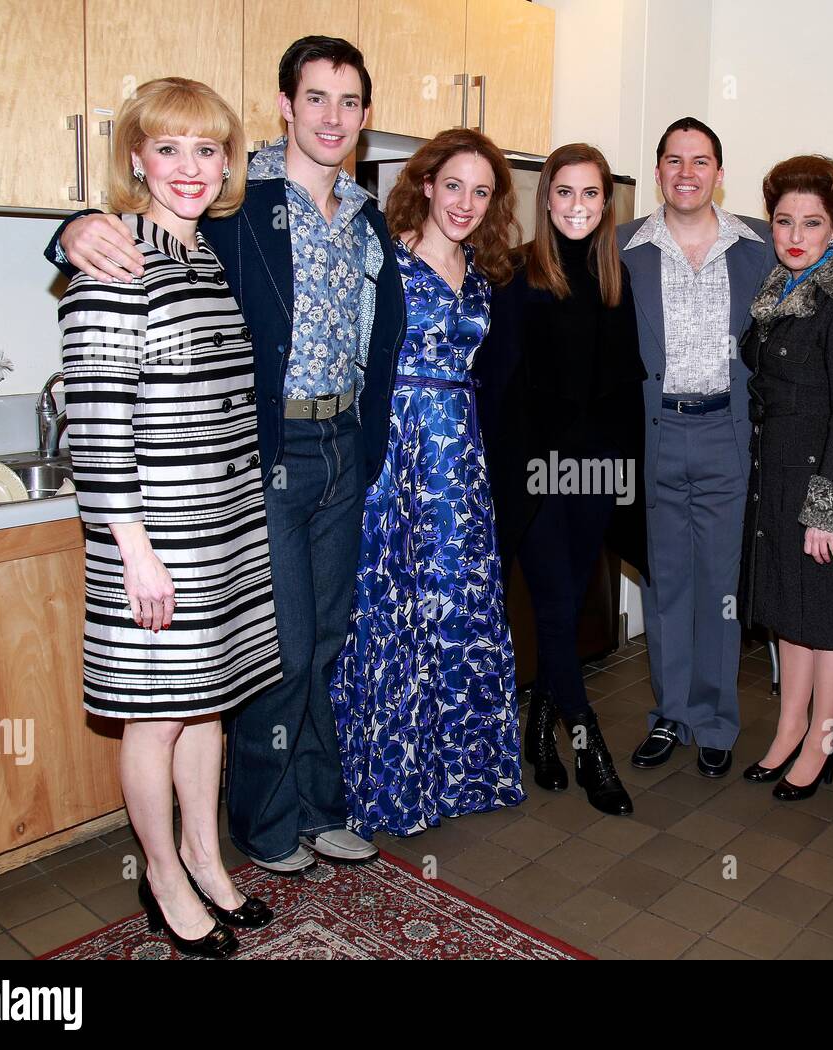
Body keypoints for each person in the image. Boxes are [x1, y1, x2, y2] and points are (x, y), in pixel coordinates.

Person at [47, 37, 405, 875]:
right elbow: (129, 231)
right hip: (262, 449)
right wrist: (71, 230)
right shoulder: (239, 199)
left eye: (349, 103)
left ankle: (320, 806)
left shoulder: (365, 211)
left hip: (344, 440)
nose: (333, 117)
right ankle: (265, 820)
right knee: (275, 646)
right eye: (316, 98)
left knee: (323, 639)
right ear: (285, 105)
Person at [58, 77, 278, 958]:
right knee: (155, 717)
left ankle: (204, 856)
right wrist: (136, 553)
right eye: (169, 148)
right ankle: (161, 875)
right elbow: (100, 424)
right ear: (137, 159)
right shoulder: (114, 263)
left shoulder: (201, 256)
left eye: (207, 149)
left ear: (226, 161)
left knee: (207, 710)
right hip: (157, 540)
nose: (190, 168)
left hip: (220, 527)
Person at [329, 128, 525, 838]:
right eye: (454, 186)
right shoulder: (383, 256)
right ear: (426, 184)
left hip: (460, 462)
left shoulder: (482, 270)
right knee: (390, 609)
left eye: (481, 191)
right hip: (396, 452)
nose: (466, 202)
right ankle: (386, 783)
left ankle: (459, 772)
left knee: (456, 601)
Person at [476, 143, 648, 816]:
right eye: (565, 193)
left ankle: (537, 735)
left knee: (565, 612)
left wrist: (622, 480)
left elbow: (624, 390)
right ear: (546, 200)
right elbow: (501, 392)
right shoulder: (518, 277)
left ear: (606, 205)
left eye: (591, 194)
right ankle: (589, 746)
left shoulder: (615, 279)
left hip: (596, 477)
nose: (578, 206)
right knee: (553, 609)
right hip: (538, 479)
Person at [621, 118, 774, 778]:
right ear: (657, 171)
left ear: (719, 172)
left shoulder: (760, 246)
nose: (687, 171)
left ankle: (715, 719)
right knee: (665, 582)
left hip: (726, 431)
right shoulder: (622, 246)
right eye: (674, 160)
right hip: (654, 431)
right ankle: (672, 714)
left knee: (719, 585)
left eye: (701, 160)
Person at [737, 155, 833, 801]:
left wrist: (829, 508)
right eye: (784, 221)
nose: (796, 235)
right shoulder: (777, 293)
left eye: (812, 222)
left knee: (828, 617)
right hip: (777, 475)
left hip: (826, 482)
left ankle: (823, 741)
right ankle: (789, 724)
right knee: (788, 612)